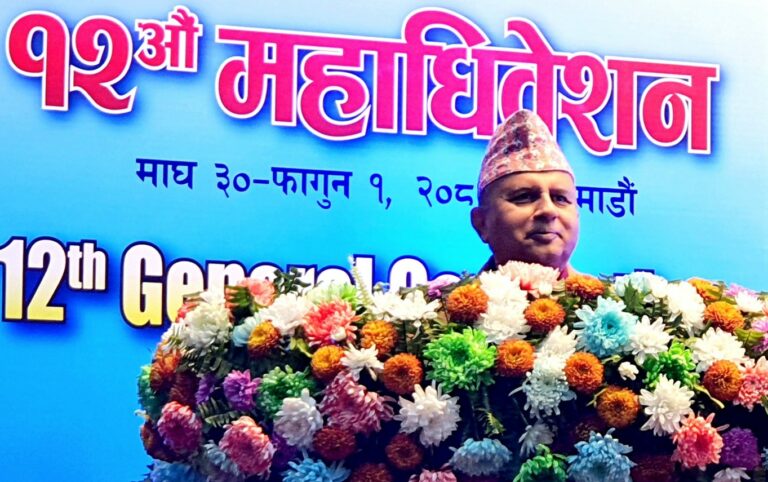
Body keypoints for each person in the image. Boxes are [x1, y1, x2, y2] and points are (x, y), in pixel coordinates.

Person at [470, 109, 579, 278]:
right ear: (482, 223)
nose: (548, 210)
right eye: (524, 197)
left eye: (560, 198)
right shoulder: (441, 296)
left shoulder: (616, 296)